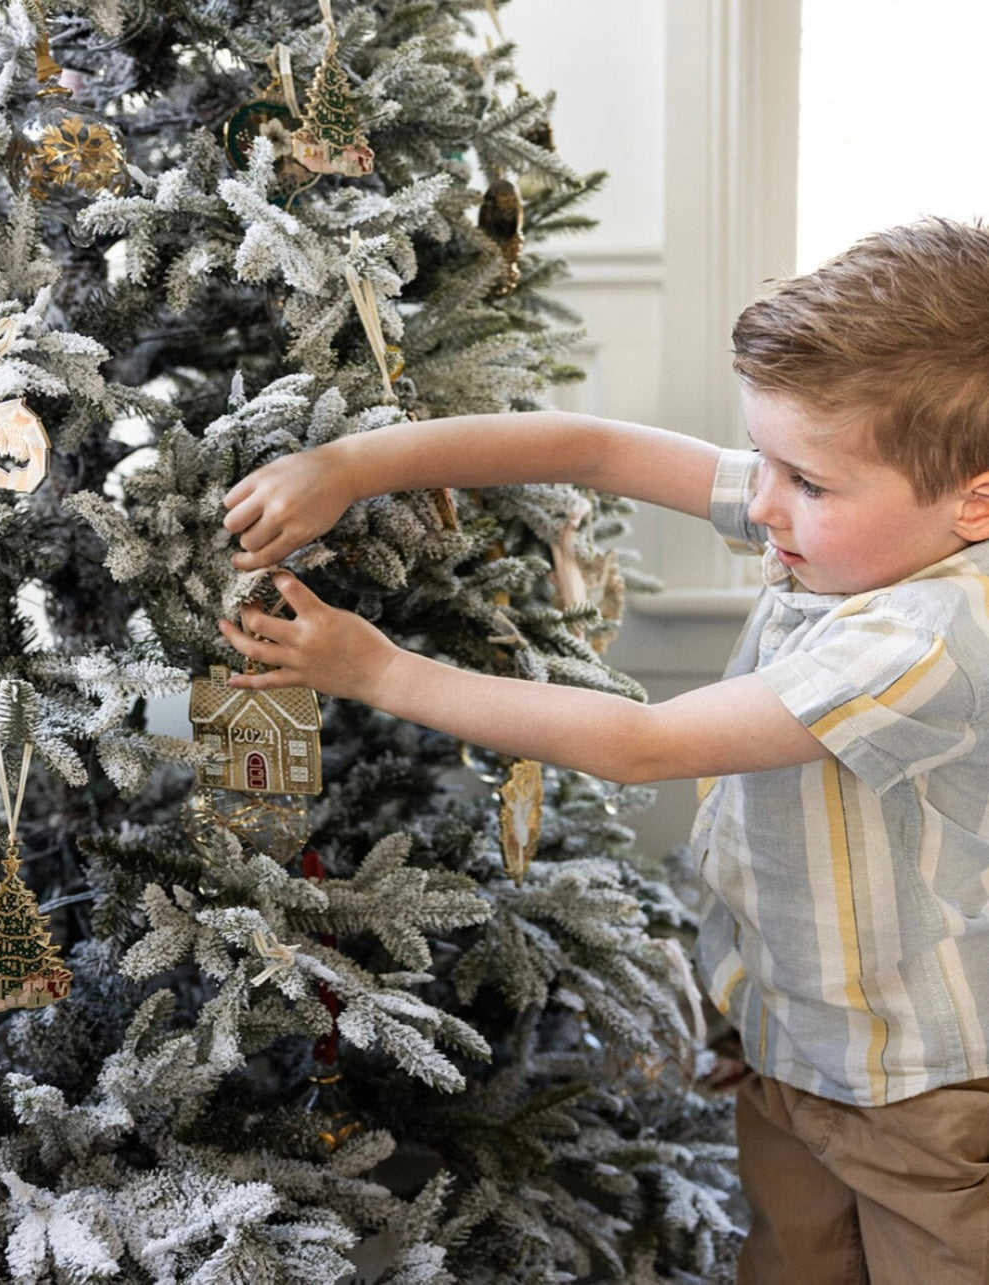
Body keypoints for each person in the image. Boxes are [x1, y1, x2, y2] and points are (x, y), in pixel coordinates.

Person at [219, 217, 989, 1283]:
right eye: (761, 458)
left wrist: (380, 672)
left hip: (918, 1085)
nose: (763, 503)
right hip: (792, 1038)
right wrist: (351, 464)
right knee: (789, 1255)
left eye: (805, 483)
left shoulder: (928, 633)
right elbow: (600, 450)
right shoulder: (845, 519)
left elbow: (642, 744)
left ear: (976, 499)